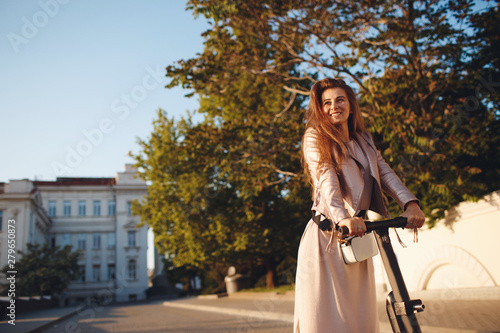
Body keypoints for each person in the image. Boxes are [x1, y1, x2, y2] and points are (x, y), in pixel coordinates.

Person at [293, 78, 425, 333]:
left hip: (358, 238)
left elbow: (385, 173)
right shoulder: (315, 136)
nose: (334, 106)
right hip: (328, 240)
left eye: (340, 100)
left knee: (359, 320)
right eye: (326, 102)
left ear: (351, 105)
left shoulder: (363, 139)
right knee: (325, 321)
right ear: (320, 109)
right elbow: (326, 175)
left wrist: (410, 203)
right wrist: (343, 217)